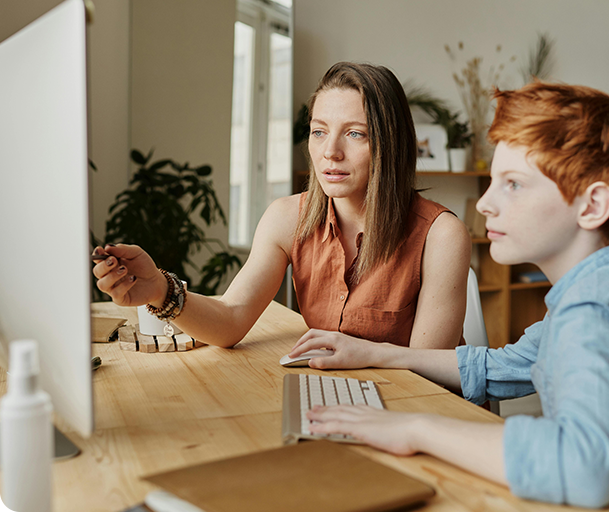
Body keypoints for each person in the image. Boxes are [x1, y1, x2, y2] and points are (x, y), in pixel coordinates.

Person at [289, 82, 609, 507]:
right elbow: (503, 365)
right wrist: (376, 352)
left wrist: (415, 430)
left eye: (512, 184)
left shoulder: (600, 313)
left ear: (592, 207)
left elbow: (581, 466)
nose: (484, 204)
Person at [93, 62, 471, 350]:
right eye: (319, 131)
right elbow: (231, 319)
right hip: (338, 399)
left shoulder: (441, 236)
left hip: (415, 413)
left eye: (355, 134)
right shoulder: (287, 217)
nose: (330, 152)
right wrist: (161, 290)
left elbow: (426, 374)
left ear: (392, 145)